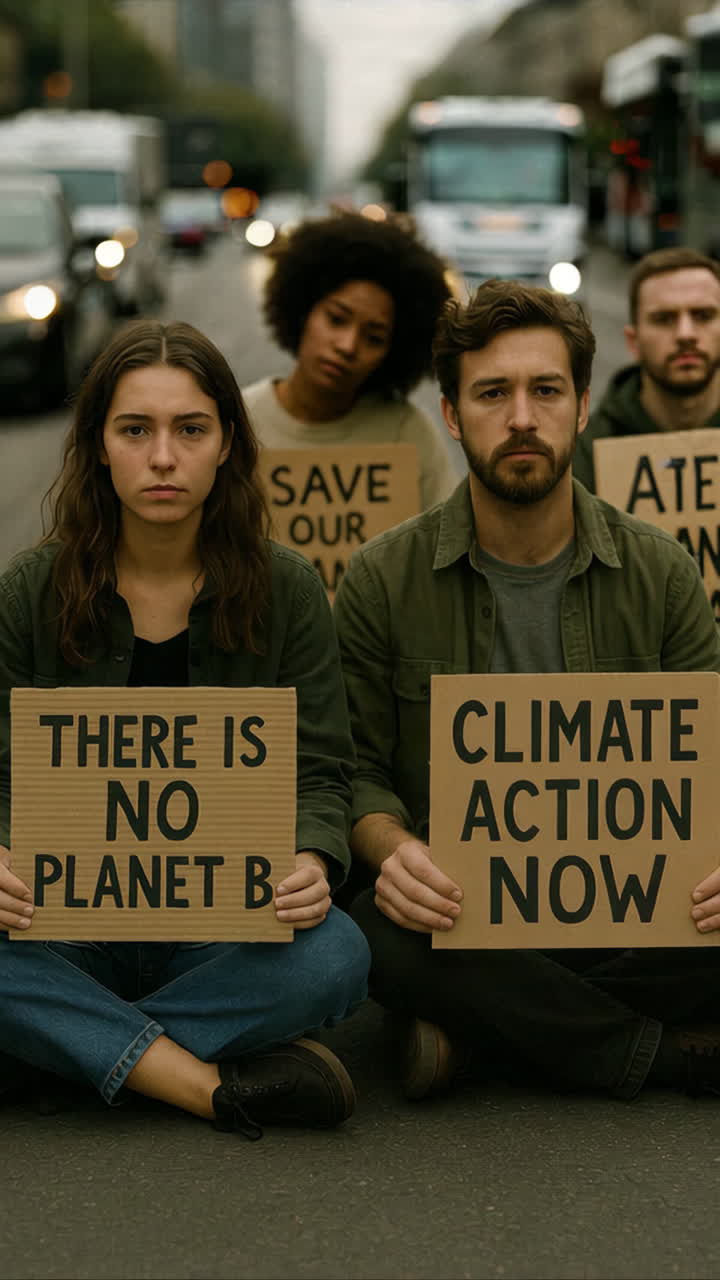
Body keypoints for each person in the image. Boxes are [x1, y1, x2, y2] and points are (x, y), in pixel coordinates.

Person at [334, 278, 720, 1105]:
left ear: (582, 406)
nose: (520, 418)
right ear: (450, 413)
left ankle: (485, 1037)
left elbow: (712, 762)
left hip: (632, 910)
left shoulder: (662, 572)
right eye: (491, 393)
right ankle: (667, 1058)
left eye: (545, 391)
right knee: (365, 933)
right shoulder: (380, 578)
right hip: (459, 914)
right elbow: (353, 770)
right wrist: (392, 851)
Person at [0, 319, 370, 1138]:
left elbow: (320, 771)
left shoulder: (288, 590)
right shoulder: (30, 591)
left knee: (338, 954)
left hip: (222, 928)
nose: (163, 458)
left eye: (190, 429)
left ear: (227, 445)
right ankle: (205, 1085)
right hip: (63, 928)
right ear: (99, 445)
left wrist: (312, 856)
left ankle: (62, 1048)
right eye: (136, 430)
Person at [242, 209, 461, 510]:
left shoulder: (407, 432)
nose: (347, 346)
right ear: (304, 311)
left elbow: (444, 542)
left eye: (374, 338)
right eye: (336, 319)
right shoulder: (240, 423)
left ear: (393, 352)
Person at [574, 247, 720, 491]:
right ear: (634, 341)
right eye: (664, 319)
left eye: (703, 315)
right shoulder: (585, 452)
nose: (686, 334)